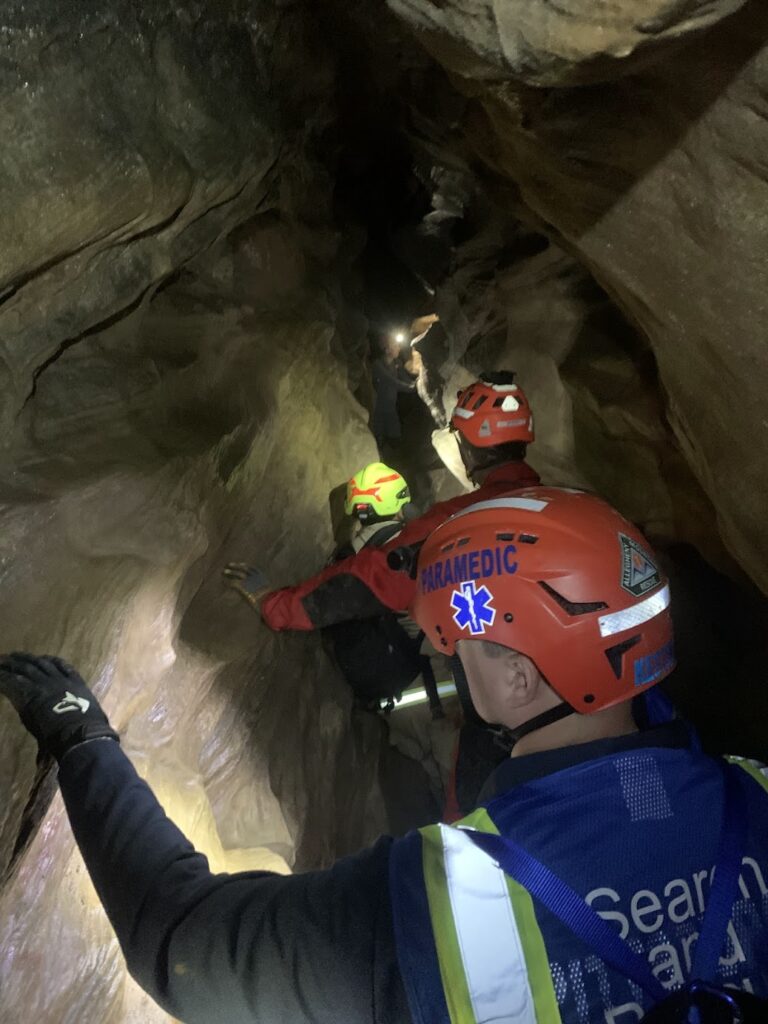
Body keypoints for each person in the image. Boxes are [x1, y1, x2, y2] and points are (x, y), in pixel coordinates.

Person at [2, 487, 766, 1023]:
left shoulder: (446, 899)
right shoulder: (756, 795)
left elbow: (183, 944)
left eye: (463, 646)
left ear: (521, 676)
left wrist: (81, 733)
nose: (453, 660)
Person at [223, 371, 539, 633]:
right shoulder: (551, 502)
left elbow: (374, 577)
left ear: (468, 449)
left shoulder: (458, 521)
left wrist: (275, 605)